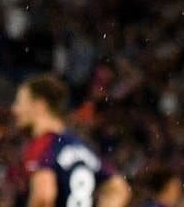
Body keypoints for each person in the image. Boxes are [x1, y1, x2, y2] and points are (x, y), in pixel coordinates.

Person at [12, 75, 132, 207]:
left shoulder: (43, 145)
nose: (14, 109)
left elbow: (43, 197)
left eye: (20, 103)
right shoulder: (81, 146)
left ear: (39, 106)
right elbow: (118, 188)